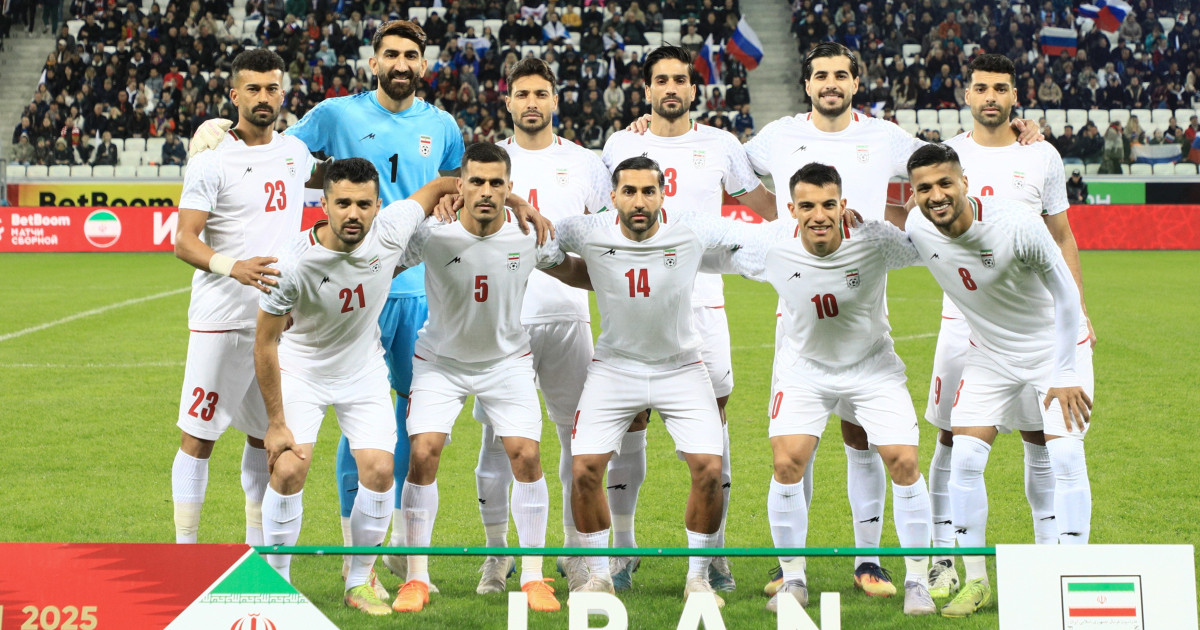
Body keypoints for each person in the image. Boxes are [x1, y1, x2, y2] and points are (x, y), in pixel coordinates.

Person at [739, 42, 1042, 599]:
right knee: (794, 450)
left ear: (856, 83)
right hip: (798, 313)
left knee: (862, 439)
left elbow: (948, 161)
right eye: (821, 76)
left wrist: (1013, 131)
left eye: (841, 75)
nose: (831, 84)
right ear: (807, 84)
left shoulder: (883, 136)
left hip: (863, 304)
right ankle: (790, 567)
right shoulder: (778, 135)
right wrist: (788, 222)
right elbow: (731, 168)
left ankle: (870, 561)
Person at [188, 18, 463, 588]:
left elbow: (456, 182)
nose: (401, 63)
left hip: (410, 285)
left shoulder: (442, 125)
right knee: (325, 436)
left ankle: (407, 560)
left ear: (424, 63)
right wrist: (222, 129)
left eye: (411, 55)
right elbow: (277, 148)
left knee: (414, 430)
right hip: (330, 293)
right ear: (373, 62)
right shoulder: (335, 114)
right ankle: (345, 556)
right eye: (391, 54)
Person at [707, 163, 937, 616]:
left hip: (872, 367)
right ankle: (793, 579)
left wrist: (917, 207)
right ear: (791, 209)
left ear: (842, 205)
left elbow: (930, 245)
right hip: (804, 371)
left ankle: (917, 582)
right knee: (787, 462)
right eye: (807, 206)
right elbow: (709, 253)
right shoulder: (771, 245)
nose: (819, 215)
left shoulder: (874, 240)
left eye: (828, 205)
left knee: (904, 461)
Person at [254, 159, 474, 616]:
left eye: (363, 204)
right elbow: (265, 343)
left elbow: (441, 184)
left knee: (379, 469)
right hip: (303, 370)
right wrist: (274, 423)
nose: (353, 213)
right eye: (343, 203)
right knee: (289, 469)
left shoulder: (392, 228)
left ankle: (359, 582)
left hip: (362, 371)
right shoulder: (292, 263)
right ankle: (275, 582)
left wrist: (502, 200)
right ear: (324, 204)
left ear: (378, 205)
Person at [600, 45, 777, 594]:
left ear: (694, 89)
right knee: (630, 421)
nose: (671, 88)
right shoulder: (621, 144)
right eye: (661, 80)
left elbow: (767, 207)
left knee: (714, 426)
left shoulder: (721, 144)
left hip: (703, 304)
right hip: (634, 301)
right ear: (646, 89)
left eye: (680, 79)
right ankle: (623, 551)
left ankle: (713, 553)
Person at [390, 143, 582, 614]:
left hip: (506, 362)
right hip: (440, 361)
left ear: (509, 188)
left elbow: (574, 272)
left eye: (497, 183)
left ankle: (534, 576)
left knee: (526, 455)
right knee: (423, 453)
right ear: (461, 185)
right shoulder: (432, 234)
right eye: (476, 181)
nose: (486, 191)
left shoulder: (529, 235)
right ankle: (416, 577)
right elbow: (379, 268)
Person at [931, 53, 1095, 601]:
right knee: (952, 438)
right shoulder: (947, 155)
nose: (991, 97)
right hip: (964, 320)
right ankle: (944, 558)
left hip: (1034, 319)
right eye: (982, 88)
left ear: (1015, 95)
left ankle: (1051, 560)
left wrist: (1079, 309)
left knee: (1041, 437)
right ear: (967, 94)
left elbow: (1062, 236)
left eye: (1001, 88)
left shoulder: (1040, 153)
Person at [558, 155, 755, 605]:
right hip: (614, 368)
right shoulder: (587, 232)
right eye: (629, 191)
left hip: (681, 367)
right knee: (583, 470)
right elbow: (542, 236)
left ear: (663, 195)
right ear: (613, 197)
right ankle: (600, 576)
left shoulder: (690, 231)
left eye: (649, 191)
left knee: (710, 470)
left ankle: (698, 578)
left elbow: (752, 236)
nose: (639, 201)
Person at [470, 58, 614, 595]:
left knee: (576, 442)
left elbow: (607, 237)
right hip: (502, 322)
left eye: (541, 93)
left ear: (556, 100)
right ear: (507, 101)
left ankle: (574, 553)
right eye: (522, 93)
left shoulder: (584, 163)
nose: (531, 102)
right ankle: (497, 554)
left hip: (567, 316)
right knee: (497, 443)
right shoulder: (488, 161)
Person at [170, 50, 320, 560]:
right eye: (252, 88)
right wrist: (233, 266)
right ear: (234, 95)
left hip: (275, 324)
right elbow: (184, 241)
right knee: (198, 437)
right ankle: (185, 555)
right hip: (221, 321)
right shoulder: (212, 160)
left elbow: (332, 178)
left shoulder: (296, 152)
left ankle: (255, 555)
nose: (263, 97)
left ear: (283, 94)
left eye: (271, 88)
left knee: (265, 438)